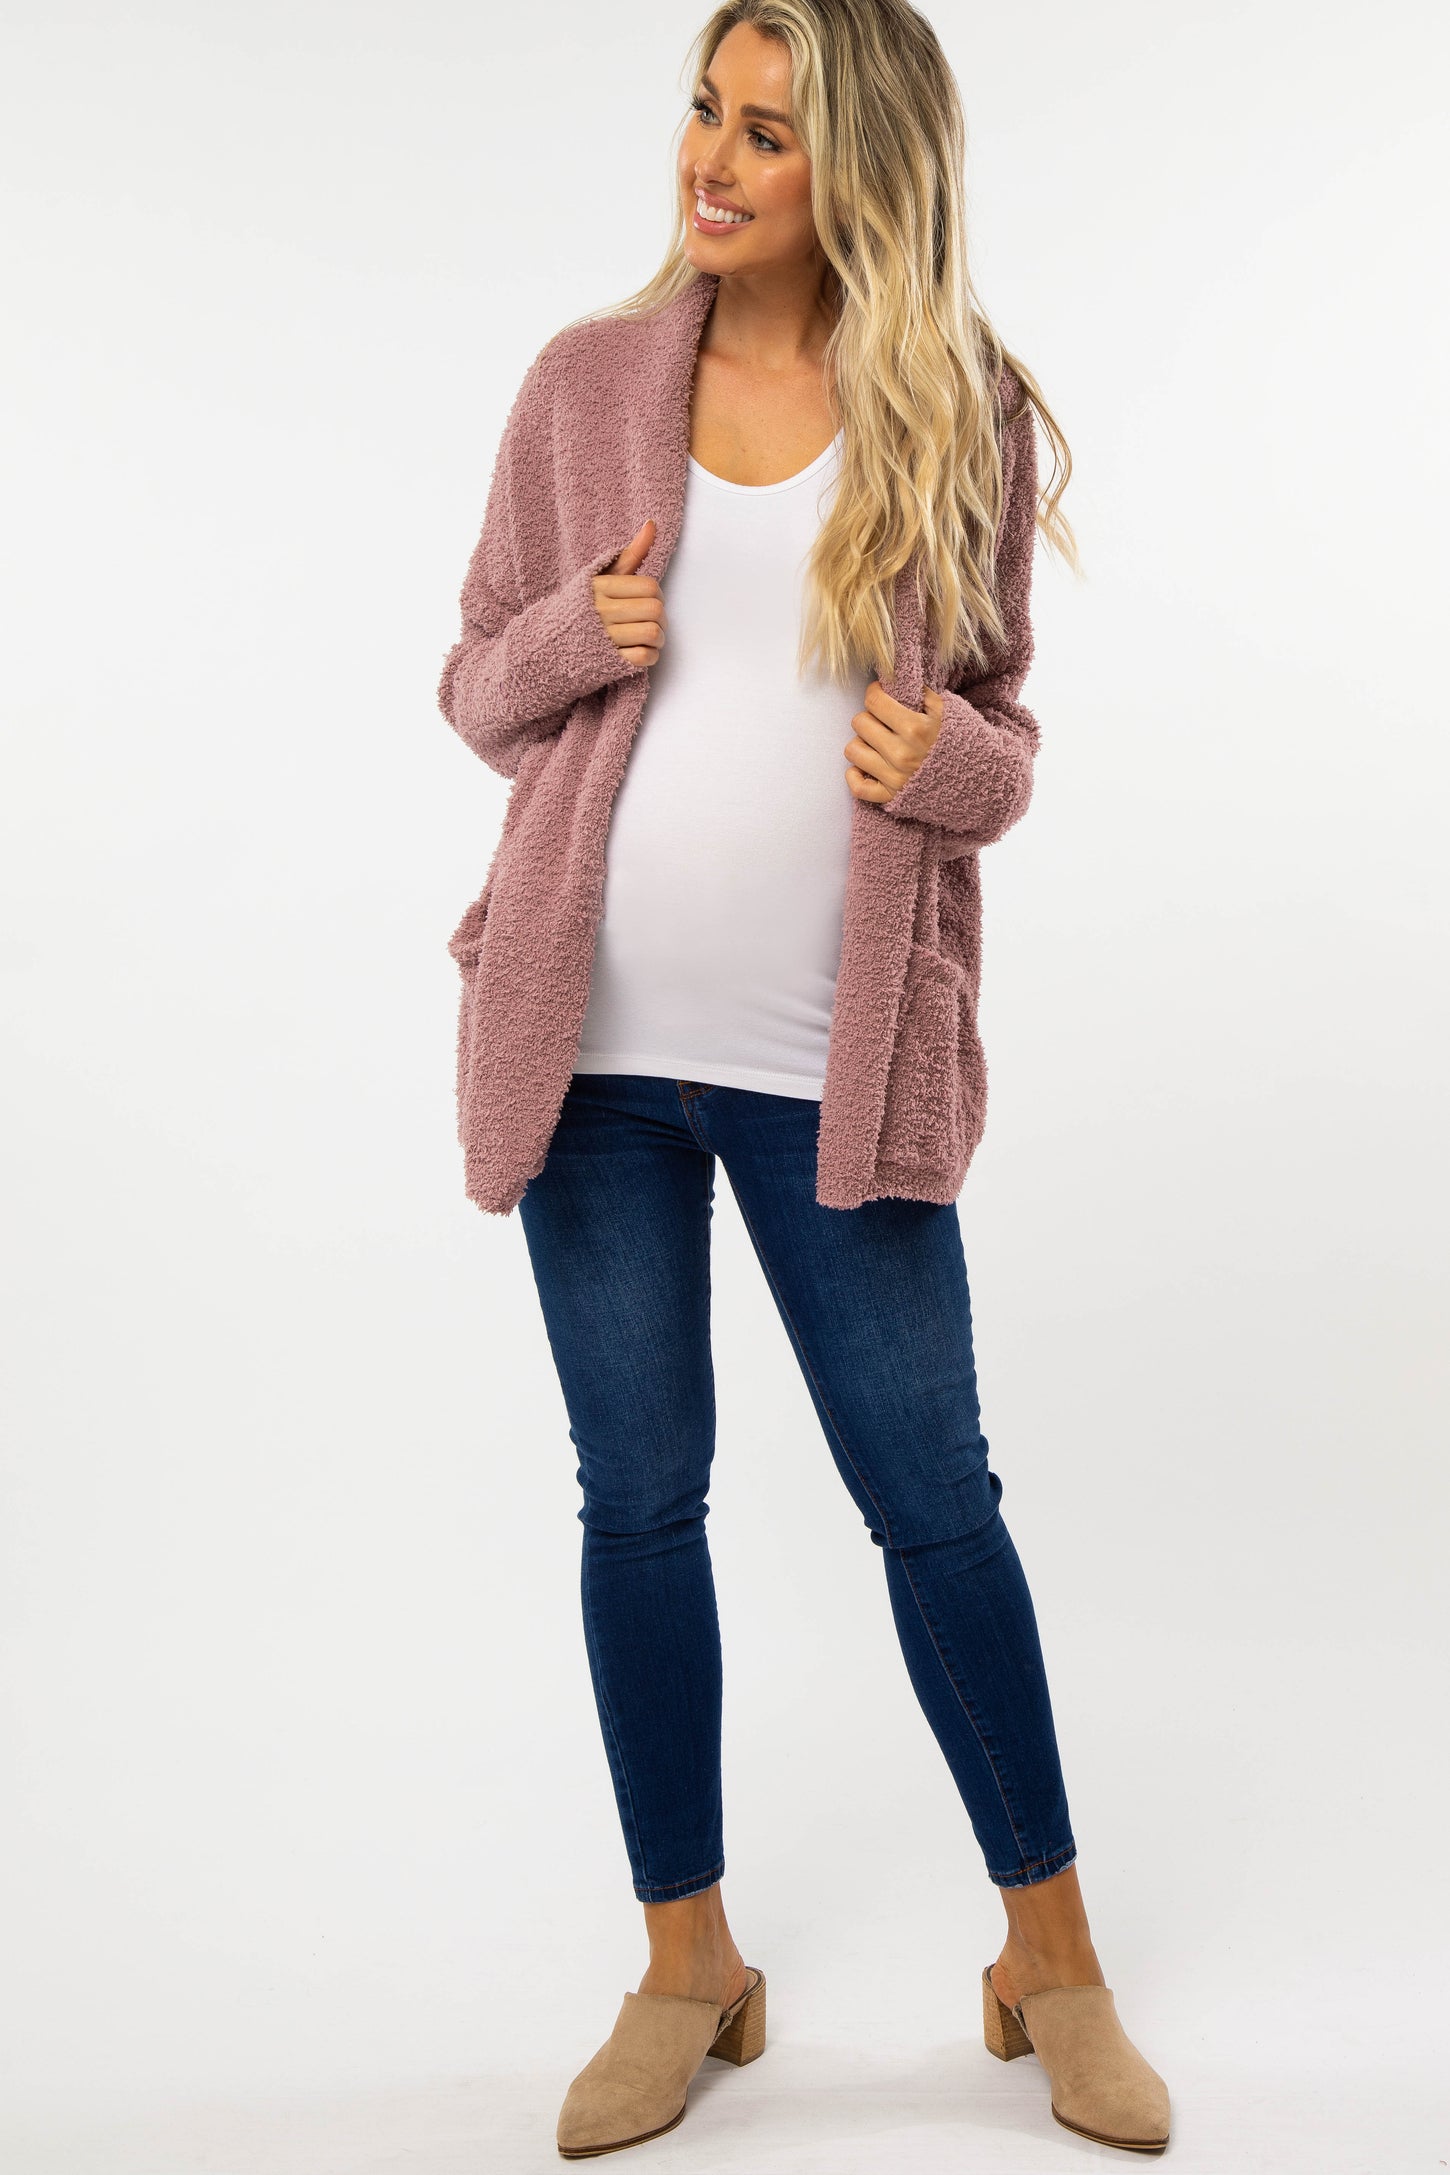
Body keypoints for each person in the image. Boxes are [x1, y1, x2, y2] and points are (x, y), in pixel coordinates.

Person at [437, 1, 1172, 2158]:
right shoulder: (585, 385)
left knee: (930, 1496)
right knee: (635, 1500)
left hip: (823, 1071)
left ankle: (1048, 1961)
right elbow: (474, 683)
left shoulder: (955, 405)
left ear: (863, 163)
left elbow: (1005, 746)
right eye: (705, 110)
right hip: (585, 1061)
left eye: (768, 130)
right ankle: (689, 1963)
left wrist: (940, 760)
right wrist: (571, 636)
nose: (714, 157)